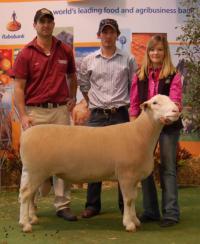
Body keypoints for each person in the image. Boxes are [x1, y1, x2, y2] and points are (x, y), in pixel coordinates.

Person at [13, 8, 78, 221]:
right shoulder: (25, 53)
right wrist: (23, 116)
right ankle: (29, 206)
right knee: (31, 163)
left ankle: (62, 205)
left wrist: (73, 97)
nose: (46, 25)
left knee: (65, 159)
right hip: (35, 114)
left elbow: (72, 77)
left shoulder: (65, 50)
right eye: (42, 21)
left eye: (49, 21)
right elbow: (19, 89)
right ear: (35, 25)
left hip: (59, 112)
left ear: (53, 24)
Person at [79, 18, 137, 218]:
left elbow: (133, 86)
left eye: (111, 32)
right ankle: (92, 205)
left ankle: (125, 206)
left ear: (117, 35)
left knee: (124, 161)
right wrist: (93, 102)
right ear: (99, 35)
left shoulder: (128, 59)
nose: (108, 35)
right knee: (93, 159)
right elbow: (84, 85)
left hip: (120, 114)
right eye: (104, 32)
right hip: (97, 115)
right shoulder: (89, 60)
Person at [129, 34, 183, 227]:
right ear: (148, 52)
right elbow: (135, 104)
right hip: (145, 131)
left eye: (159, 49)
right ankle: (151, 211)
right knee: (145, 169)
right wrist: (133, 127)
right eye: (152, 49)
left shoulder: (173, 75)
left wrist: (167, 119)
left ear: (165, 52)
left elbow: (176, 103)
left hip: (169, 128)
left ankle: (171, 213)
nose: (155, 53)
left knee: (168, 168)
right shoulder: (140, 75)